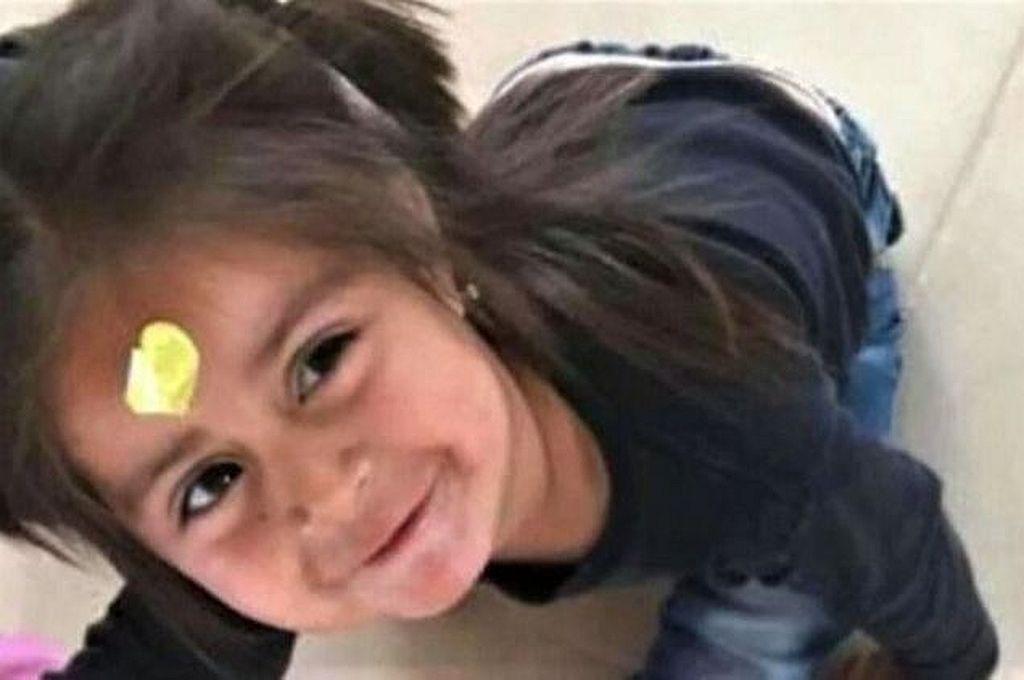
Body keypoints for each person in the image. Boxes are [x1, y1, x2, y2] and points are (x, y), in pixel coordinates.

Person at [0, 1, 997, 678]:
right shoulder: (280, 476)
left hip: (788, 164)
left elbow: (900, 539)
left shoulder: (735, 425)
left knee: (757, 622)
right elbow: (186, 639)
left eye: (320, 361)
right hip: (560, 118)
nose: (326, 498)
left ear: (425, 229)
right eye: (208, 482)